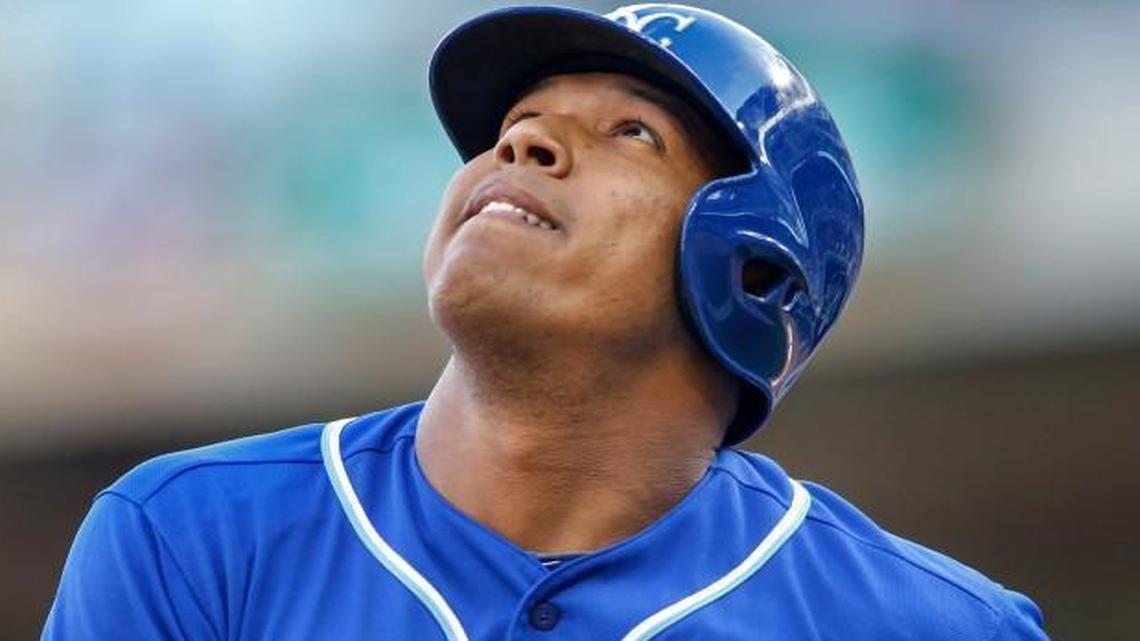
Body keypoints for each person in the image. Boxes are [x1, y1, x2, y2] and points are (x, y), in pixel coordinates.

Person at [42, 4, 1050, 640]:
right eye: (516, 126)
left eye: (629, 133)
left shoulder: (923, 621)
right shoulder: (192, 534)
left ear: (751, 268)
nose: (522, 144)